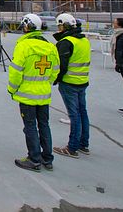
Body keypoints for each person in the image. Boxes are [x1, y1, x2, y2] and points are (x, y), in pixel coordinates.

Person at [8, 13, 60, 172]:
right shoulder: (50, 46)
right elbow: (56, 70)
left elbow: (16, 71)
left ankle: (34, 159)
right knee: (44, 125)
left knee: (30, 126)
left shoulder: (23, 46)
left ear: (26, 26)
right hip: (44, 94)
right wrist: (45, 83)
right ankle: (47, 158)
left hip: (26, 95)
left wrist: (12, 89)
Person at [51, 14, 91, 159]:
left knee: (74, 115)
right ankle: (83, 144)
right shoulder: (84, 40)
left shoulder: (66, 42)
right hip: (82, 81)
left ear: (63, 26)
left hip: (69, 82)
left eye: (59, 26)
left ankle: (72, 147)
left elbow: (62, 65)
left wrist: (55, 79)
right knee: (82, 112)